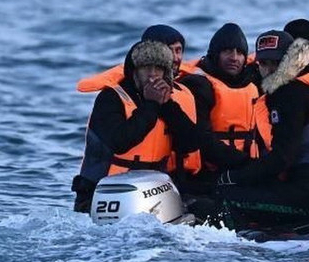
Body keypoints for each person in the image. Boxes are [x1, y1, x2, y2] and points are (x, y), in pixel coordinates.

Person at [71, 41, 247, 213]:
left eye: (159, 69)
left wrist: (167, 106)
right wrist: (151, 105)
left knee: (213, 209)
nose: (153, 75)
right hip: (102, 192)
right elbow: (120, 141)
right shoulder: (110, 98)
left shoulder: (164, 101)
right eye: (146, 68)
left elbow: (192, 142)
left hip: (150, 191)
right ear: (134, 71)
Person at [216, 30, 309, 212]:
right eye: (264, 63)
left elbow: (282, 158)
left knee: (226, 194)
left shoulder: (289, 94)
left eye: (276, 62)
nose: (270, 70)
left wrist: (234, 177)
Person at [179, 23, 260, 160]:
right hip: (211, 167)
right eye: (228, 51)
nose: (234, 58)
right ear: (215, 54)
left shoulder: (252, 84)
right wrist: (245, 163)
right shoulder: (198, 85)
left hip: (248, 162)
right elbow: (203, 140)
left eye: (240, 53)